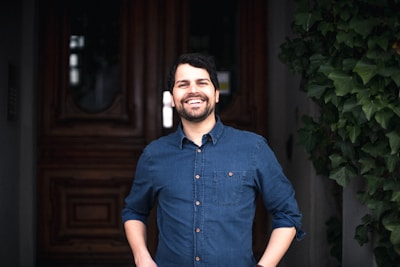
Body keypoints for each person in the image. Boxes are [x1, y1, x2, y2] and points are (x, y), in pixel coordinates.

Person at [122, 53, 305, 267]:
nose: (193, 90)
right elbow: (134, 210)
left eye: (202, 82)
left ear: (216, 93)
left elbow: (287, 214)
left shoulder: (253, 149)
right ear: (172, 97)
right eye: (183, 84)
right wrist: (142, 258)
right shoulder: (154, 155)